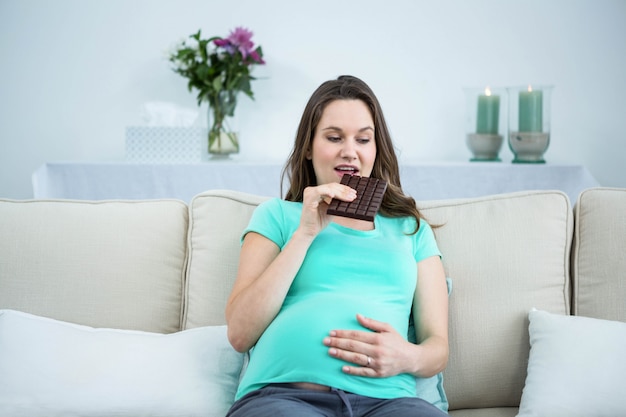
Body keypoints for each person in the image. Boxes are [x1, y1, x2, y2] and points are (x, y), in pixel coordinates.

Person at [225, 75, 449, 417]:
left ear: (376, 150)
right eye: (334, 138)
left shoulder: (410, 229)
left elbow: (438, 346)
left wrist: (407, 356)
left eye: (363, 139)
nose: (350, 151)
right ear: (308, 148)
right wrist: (305, 234)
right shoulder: (279, 216)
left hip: (390, 402)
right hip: (284, 399)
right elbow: (240, 333)